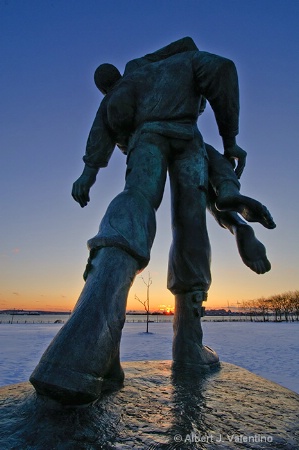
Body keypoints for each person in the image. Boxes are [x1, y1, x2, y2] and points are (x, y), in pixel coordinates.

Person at [30, 38, 275, 405]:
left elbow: (101, 132)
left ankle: (87, 346)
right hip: (189, 139)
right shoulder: (183, 63)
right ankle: (189, 346)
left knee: (136, 201)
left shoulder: (120, 91)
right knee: (191, 226)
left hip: (149, 140)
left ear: (105, 85)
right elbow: (223, 68)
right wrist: (230, 139)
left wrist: (88, 172)